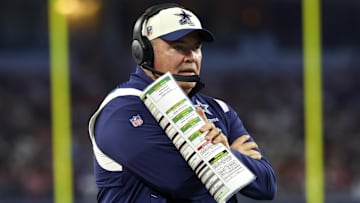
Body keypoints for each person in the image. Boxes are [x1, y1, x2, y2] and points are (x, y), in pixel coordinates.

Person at [88, 3, 276, 202]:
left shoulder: (219, 109)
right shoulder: (121, 109)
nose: (191, 57)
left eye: (196, 48)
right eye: (178, 47)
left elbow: (266, 185)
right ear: (143, 52)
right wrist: (226, 155)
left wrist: (228, 153)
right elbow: (182, 182)